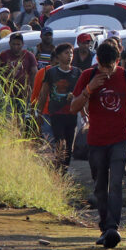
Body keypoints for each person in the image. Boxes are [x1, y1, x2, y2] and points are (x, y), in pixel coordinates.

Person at [70, 40, 126, 249]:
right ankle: (105, 227)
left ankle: (113, 227)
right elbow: (73, 107)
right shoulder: (88, 76)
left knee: (116, 183)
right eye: (103, 66)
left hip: (122, 139)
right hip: (95, 141)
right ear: (98, 62)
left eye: (110, 66)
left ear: (117, 61)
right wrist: (89, 90)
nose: (107, 70)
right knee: (100, 186)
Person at [37, 42, 81, 171]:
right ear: (58, 56)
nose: (70, 56)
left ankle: (64, 169)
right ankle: (58, 169)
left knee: (69, 146)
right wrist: (39, 113)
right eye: (66, 53)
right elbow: (43, 94)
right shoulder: (51, 73)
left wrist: (76, 98)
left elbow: (83, 92)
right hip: (56, 113)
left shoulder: (78, 72)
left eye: (71, 53)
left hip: (72, 113)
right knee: (60, 142)